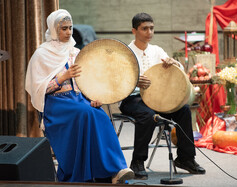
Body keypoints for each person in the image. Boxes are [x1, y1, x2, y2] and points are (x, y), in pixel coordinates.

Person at [25, 9, 134, 184]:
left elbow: (87, 81)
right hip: (56, 103)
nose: (68, 32)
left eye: (70, 28)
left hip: (79, 100)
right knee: (86, 114)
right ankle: (95, 172)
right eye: (64, 29)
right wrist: (62, 77)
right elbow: (37, 88)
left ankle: (115, 170)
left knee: (101, 117)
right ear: (54, 30)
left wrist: (93, 97)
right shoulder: (42, 54)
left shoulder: (75, 52)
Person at [119, 13, 206, 179]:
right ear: (134, 31)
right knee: (148, 115)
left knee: (184, 110)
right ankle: (137, 162)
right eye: (144, 28)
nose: (149, 32)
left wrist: (174, 63)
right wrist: (134, 82)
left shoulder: (157, 50)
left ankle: (186, 158)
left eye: (151, 28)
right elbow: (116, 82)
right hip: (133, 99)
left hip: (158, 99)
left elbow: (176, 69)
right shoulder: (126, 53)